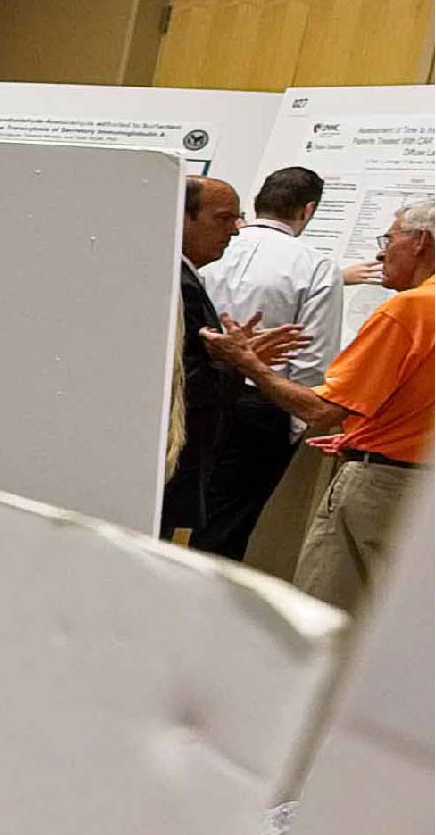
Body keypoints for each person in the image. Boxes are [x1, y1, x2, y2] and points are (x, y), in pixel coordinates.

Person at [208, 194, 433, 615]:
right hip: (419, 488)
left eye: (390, 237)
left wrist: (248, 362)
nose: (382, 250)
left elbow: (320, 410)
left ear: (420, 242)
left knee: (326, 616)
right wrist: (365, 433)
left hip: (380, 489)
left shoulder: (409, 309)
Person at [198, 164, 343, 561]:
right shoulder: (315, 266)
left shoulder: (209, 246)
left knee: (179, 506)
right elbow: (314, 353)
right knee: (228, 525)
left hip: (198, 395)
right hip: (263, 405)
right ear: (307, 210)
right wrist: (297, 424)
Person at [164, 174, 263, 546]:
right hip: (169, 461)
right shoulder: (177, 283)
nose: (235, 232)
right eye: (223, 219)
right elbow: (185, 381)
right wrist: (239, 363)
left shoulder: (183, 277)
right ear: (182, 216)